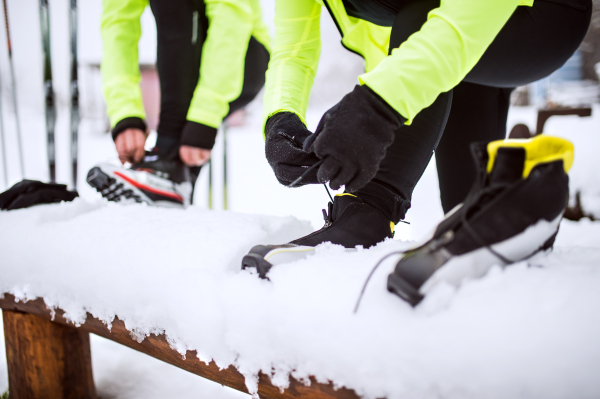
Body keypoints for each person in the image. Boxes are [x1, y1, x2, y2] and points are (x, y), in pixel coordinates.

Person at [241, 0, 591, 279]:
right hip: (444, 47)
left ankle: (368, 215)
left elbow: (463, 15)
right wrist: (280, 120)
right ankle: (525, 215)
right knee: (467, 210)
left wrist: (377, 106)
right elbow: (293, 51)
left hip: (533, 12)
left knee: (423, 18)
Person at [87, 0, 270, 207]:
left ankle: (168, 167)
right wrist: (125, 115)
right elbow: (118, 26)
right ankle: (172, 187)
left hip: (242, 54)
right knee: (179, 162)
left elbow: (231, 15)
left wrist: (206, 115)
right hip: (196, 64)